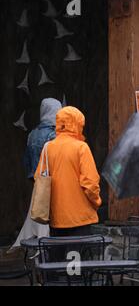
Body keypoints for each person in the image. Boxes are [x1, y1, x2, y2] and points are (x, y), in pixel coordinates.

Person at [35, 106, 102, 237]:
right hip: (81, 218)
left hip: (56, 220)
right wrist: (96, 202)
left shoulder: (48, 148)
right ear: (77, 124)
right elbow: (90, 183)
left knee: (58, 257)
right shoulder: (81, 147)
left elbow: (39, 178)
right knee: (78, 257)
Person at [9, 98, 62, 252]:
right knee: (52, 224)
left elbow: (27, 160)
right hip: (52, 183)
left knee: (39, 219)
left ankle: (39, 254)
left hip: (37, 182)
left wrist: (32, 175)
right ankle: (49, 256)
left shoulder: (32, 134)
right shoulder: (54, 134)